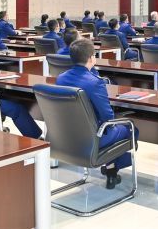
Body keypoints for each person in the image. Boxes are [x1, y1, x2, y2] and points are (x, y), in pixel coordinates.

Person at [56, 39, 139, 188]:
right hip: (91, 139)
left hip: (66, 137)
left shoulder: (60, 78)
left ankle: (111, 169)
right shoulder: (95, 82)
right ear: (91, 58)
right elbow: (108, 117)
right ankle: (112, 170)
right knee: (131, 129)